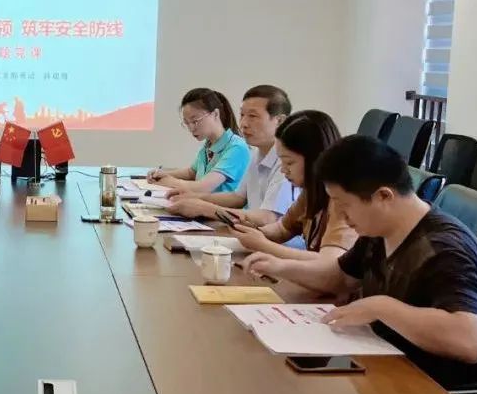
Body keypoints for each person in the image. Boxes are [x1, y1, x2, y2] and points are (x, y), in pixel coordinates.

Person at [243, 135, 477, 388]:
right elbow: (341, 277)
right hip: (387, 366)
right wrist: (281, 267)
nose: (341, 216)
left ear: (384, 196)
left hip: (440, 393)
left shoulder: (445, 250)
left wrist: (382, 308)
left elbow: (471, 341)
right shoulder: (379, 230)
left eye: (344, 205)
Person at [231, 110, 357, 262]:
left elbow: (329, 261)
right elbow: (282, 229)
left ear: (315, 159)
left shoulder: (341, 200)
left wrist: (263, 244)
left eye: (289, 162)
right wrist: (253, 232)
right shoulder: (311, 192)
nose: (283, 170)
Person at [167, 85, 297, 226]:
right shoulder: (257, 154)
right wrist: (195, 197)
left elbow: (268, 218)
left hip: (267, 237)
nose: (243, 123)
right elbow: (238, 198)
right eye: (242, 115)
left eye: (252, 116)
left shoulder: (287, 162)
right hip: (252, 232)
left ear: (280, 121)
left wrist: (204, 208)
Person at [146, 88, 249, 194]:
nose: (191, 128)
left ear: (215, 114)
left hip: (219, 205)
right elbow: (192, 172)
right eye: (187, 123)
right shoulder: (208, 145)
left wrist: (170, 181)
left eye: (195, 121)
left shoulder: (236, 147)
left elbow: (203, 187)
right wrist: (163, 174)